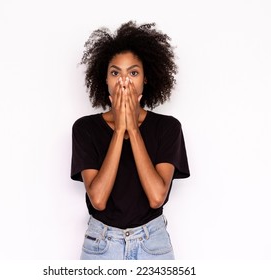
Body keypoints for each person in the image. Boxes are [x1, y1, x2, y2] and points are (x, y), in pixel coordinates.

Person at [71, 21, 190, 260]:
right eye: (115, 73)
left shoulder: (168, 128)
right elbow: (98, 199)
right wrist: (118, 132)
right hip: (101, 245)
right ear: (105, 79)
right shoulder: (85, 128)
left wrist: (133, 130)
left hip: (152, 245)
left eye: (133, 73)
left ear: (146, 79)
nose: (124, 82)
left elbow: (157, 197)